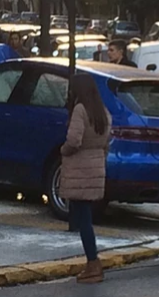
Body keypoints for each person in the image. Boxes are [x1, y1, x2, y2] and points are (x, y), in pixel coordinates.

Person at [60, 73, 112, 284]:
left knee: (84, 220)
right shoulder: (103, 112)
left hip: (79, 171)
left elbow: (74, 140)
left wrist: (63, 150)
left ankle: (93, 263)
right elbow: (106, 142)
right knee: (85, 217)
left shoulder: (80, 110)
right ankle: (92, 263)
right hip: (95, 167)